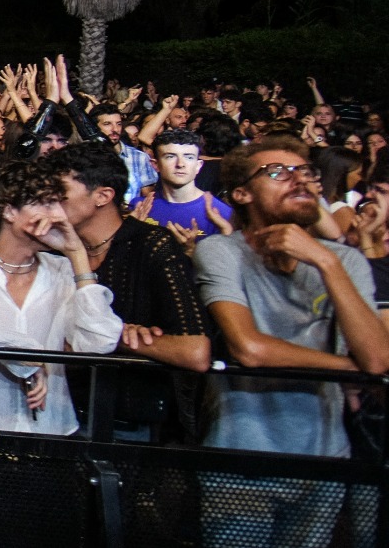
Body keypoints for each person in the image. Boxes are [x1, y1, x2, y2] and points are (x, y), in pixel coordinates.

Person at [195, 136, 389, 547]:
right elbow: (250, 347)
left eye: (305, 172)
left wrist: (325, 259)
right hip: (241, 460)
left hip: (324, 459)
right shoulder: (221, 251)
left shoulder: (344, 261)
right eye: (277, 173)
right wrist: (350, 369)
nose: (298, 180)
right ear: (242, 194)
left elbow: (377, 356)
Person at [0, 158, 123, 435]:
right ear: (9, 210)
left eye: (58, 203)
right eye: (46, 203)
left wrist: (78, 256)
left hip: (53, 429)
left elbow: (100, 342)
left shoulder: (61, 269)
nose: (58, 215)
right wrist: (25, 354)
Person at [47, 142, 211, 442]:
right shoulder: (54, 252)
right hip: (59, 413)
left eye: (60, 193)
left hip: (132, 425)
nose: (49, 202)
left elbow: (195, 352)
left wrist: (112, 336)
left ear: (104, 195)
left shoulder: (151, 246)